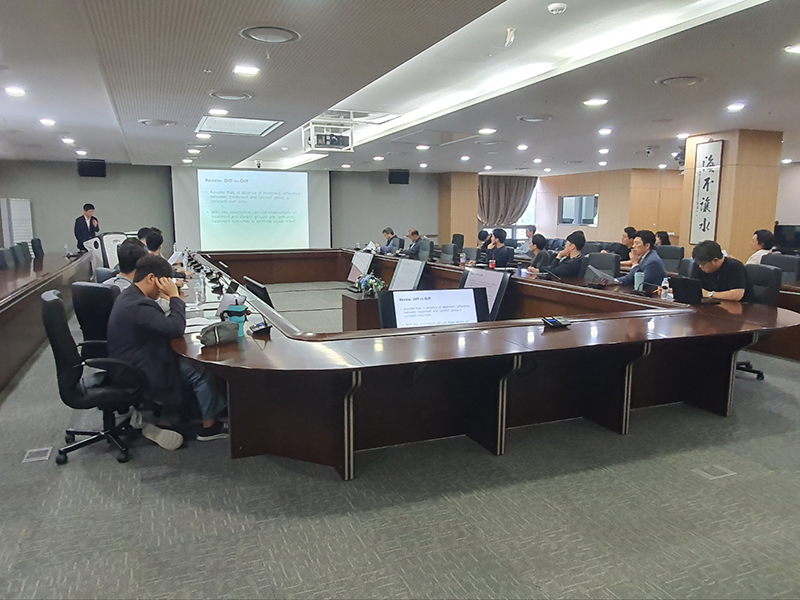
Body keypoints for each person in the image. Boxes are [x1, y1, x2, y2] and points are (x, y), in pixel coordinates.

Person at [107, 255, 228, 441]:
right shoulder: (138, 305)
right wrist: (174, 296)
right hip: (138, 369)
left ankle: (169, 418)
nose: (165, 287)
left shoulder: (131, 296)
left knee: (181, 358)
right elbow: (175, 328)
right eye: (165, 281)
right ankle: (209, 426)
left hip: (131, 360)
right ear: (151, 278)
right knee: (200, 370)